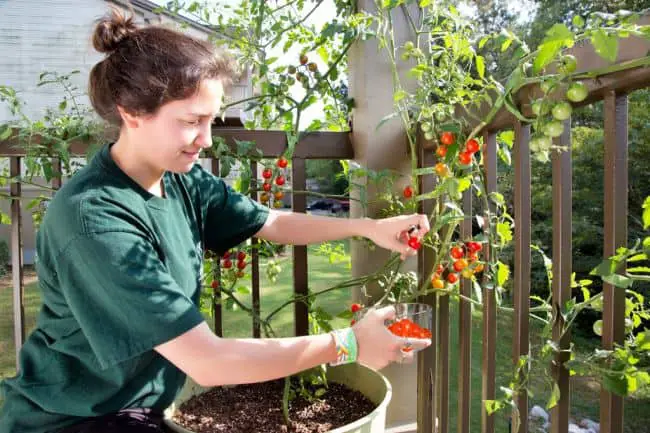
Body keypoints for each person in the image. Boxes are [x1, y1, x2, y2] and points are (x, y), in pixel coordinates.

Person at [0, 8, 431, 433]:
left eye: (211, 120)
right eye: (192, 122)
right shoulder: (95, 220)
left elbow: (269, 221)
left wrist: (366, 228)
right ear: (131, 114)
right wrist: (348, 344)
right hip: (73, 420)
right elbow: (209, 361)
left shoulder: (179, 180)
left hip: (139, 410)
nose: (206, 140)